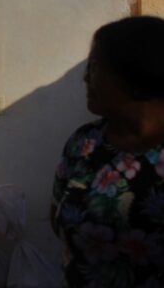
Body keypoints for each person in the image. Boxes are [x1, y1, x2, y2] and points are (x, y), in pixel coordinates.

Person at [52, 15, 164, 287]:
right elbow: (58, 216)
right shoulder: (84, 144)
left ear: (136, 76)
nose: (85, 78)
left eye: (94, 67)